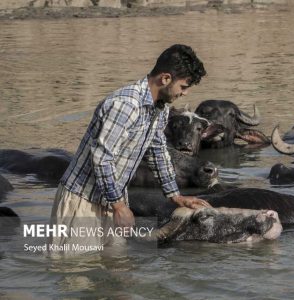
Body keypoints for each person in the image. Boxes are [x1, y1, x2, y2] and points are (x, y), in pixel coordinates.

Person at [48, 44, 211, 254]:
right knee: (75, 273)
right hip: (82, 201)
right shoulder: (125, 104)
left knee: (118, 270)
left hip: (113, 200)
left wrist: (175, 196)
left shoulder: (160, 109)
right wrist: (119, 206)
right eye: (183, 86)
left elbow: (158, 152)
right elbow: (101, 158)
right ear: (165, 78)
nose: (185, 93)